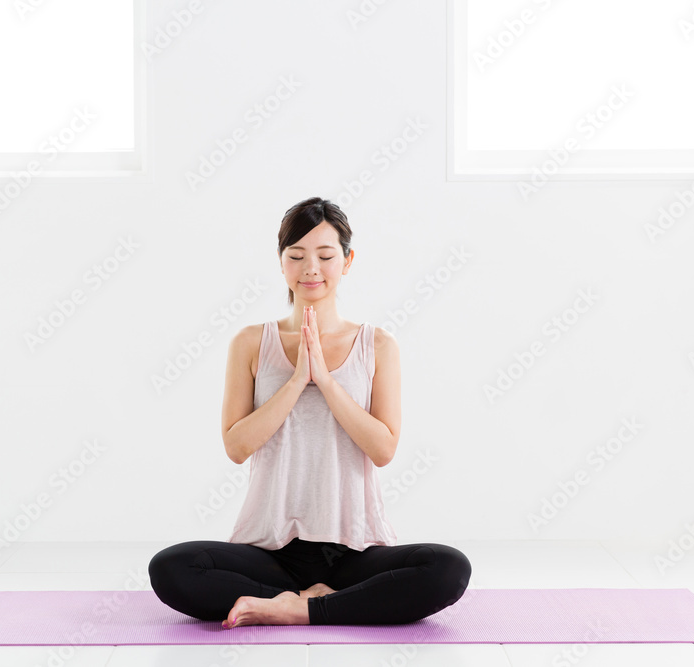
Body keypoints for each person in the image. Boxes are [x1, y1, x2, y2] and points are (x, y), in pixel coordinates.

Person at [149, 196, 471, 628]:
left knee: (448, 568)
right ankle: (320, 603)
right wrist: (297, 379)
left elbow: (383, 449)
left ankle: (290, 608)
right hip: (270, 552)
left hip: (354, 549)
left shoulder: (377, 345)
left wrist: (327, 380)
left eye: (325, 256)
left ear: (347, 260)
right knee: (171, 567)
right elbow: (236, 446)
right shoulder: (250, 342)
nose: (310, 269)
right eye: (296, 256)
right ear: (281, 262)